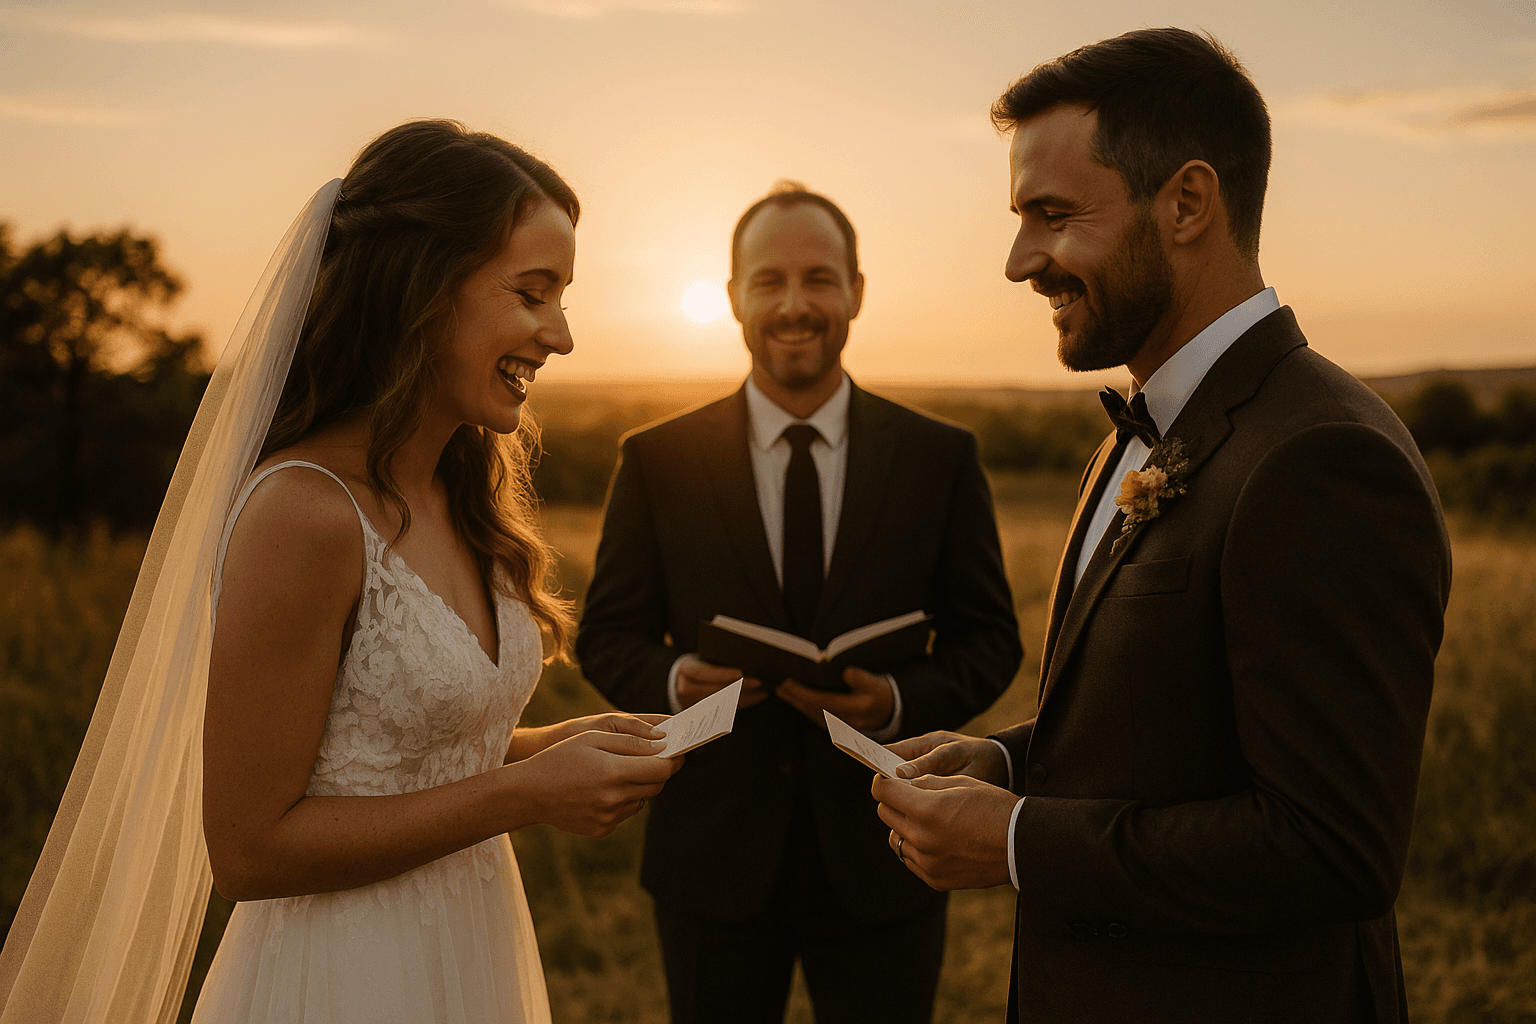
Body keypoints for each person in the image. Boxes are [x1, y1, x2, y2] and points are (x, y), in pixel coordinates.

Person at [0, 120, 682, 1024]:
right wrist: (521, 795)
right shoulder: (303, 512)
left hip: (471, 944)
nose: (558, 335)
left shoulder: (459, 490)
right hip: (348, 976)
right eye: (532, 294)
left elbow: (389, 761)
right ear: (422, 291)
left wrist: (552, 749)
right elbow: (249, 847)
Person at [871, 28, 1451, 1023]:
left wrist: (1016, 839)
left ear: (1186, 203)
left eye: (1051, 216)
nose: (1019, 262)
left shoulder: (1319, 457)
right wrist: (1007, 758)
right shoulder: (1143, 427)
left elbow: (1331, 849)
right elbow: (1179, 722)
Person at [577, 181, 1023, 1024]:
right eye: (769, 281)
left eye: (820, 279)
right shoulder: (656, 459)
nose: (794, 305)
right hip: (711, 857)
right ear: (733, 298)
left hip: (887, 852)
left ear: (857, 291)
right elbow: (607, 635)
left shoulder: (940, 458)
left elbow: (991, 640)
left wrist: (896, 699)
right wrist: (677, 683)